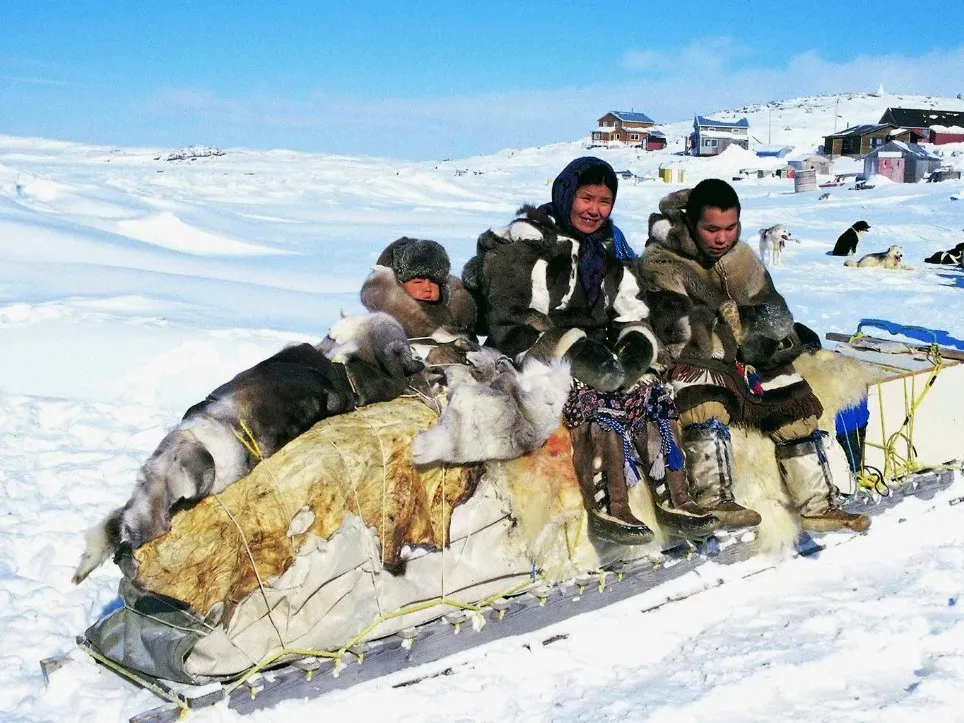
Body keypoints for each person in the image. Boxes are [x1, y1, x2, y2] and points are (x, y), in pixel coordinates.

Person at [462, 157, 720, 545]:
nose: (594, 209)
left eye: (604, 201)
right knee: (593, 397)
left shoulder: (609, 247)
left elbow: (631, 309)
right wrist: (572, 350)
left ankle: (675, 498)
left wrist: (636, 345)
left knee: (650, 391)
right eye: (586, 197)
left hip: (595, 349)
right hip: (530, 355)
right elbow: (509, 319)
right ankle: (609, 506)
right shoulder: (527, 243)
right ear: (566, 194)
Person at [640, 178, 870, 533]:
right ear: (691, 224)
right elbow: (676, 325)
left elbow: (773, 306)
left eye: (730, 228)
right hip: (696, 356)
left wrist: (760, 332)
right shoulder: (662, 261)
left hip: (749, 356)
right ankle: (714, 499)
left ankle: (819, 504)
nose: (722, 238)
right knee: (704, 400)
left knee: (793, 401)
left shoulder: (742, 258)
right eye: (712, 229)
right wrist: (729, 333)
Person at [361, 236, 478, 368]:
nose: (427, 288)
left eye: (434, 282)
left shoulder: (458, 319)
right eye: (418, 282)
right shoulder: (383, 329)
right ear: (399, 286)